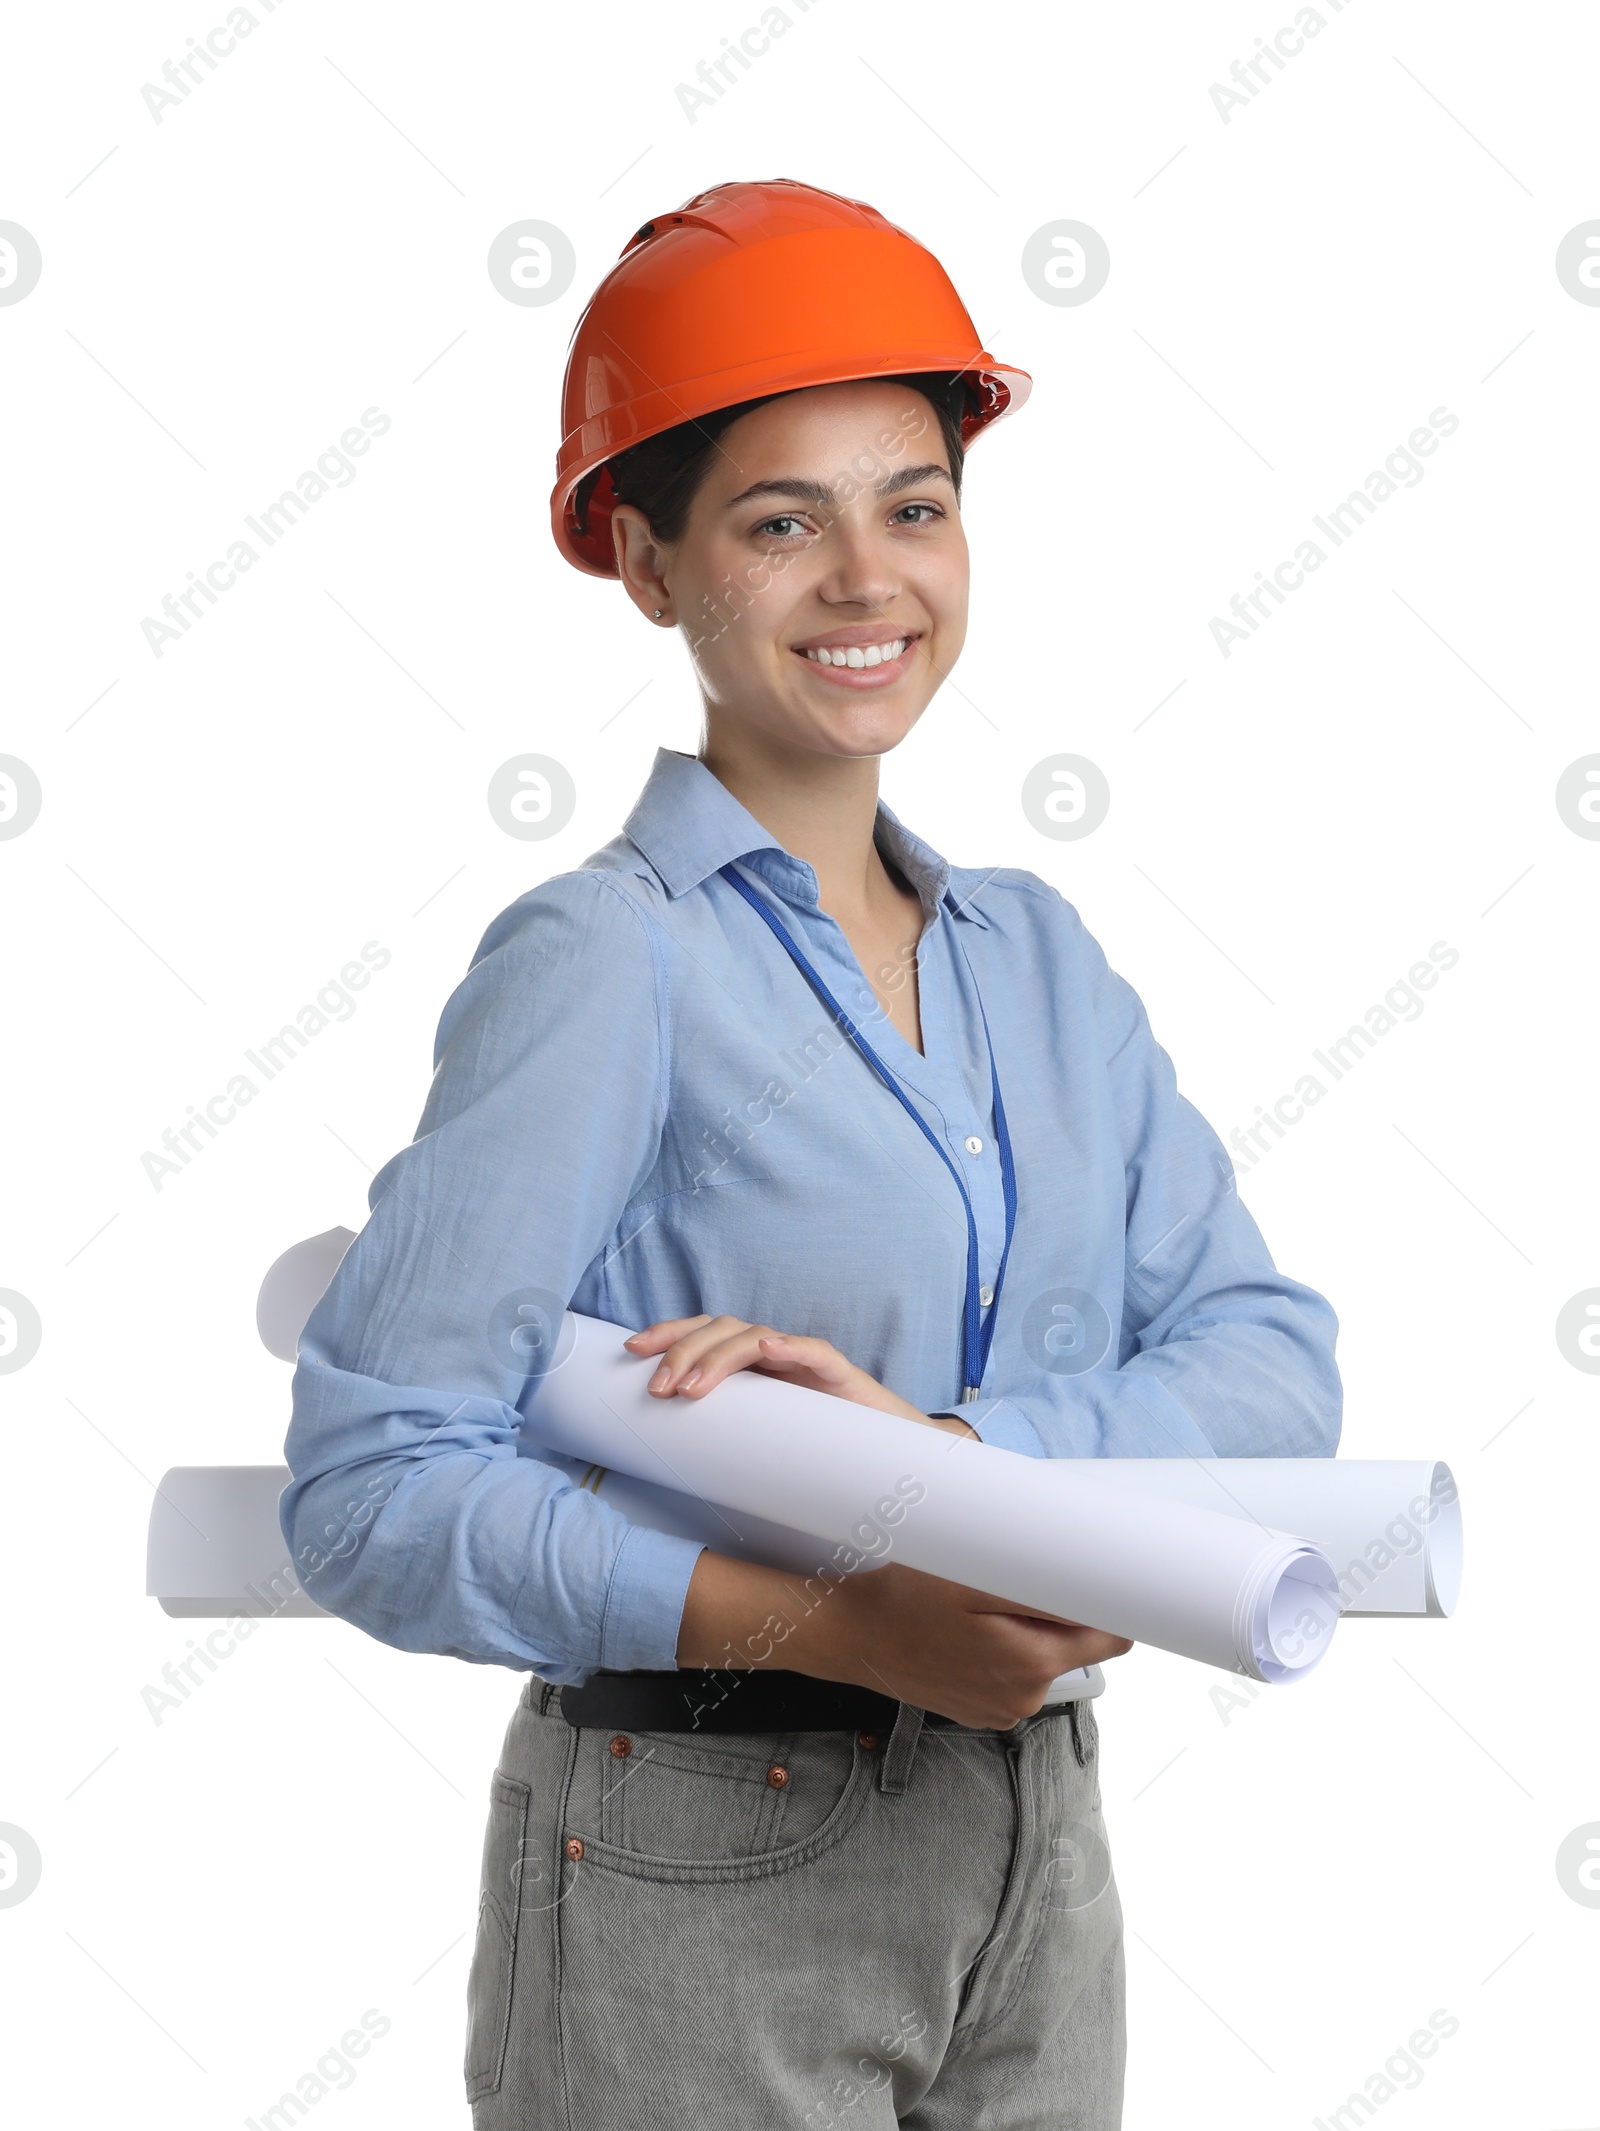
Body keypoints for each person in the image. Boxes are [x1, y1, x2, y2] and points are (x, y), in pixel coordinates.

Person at [280, 178, 1341, 2131]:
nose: (866, 578)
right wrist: (838, 1604)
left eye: (911, 503)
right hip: (709, 1821)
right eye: (782, 519)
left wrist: (940, 1470)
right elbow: (368, 1478)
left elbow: (1266, 1362)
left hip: (1032, 1824)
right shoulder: (611, 961)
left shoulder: (1039, 962)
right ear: (644, 556)